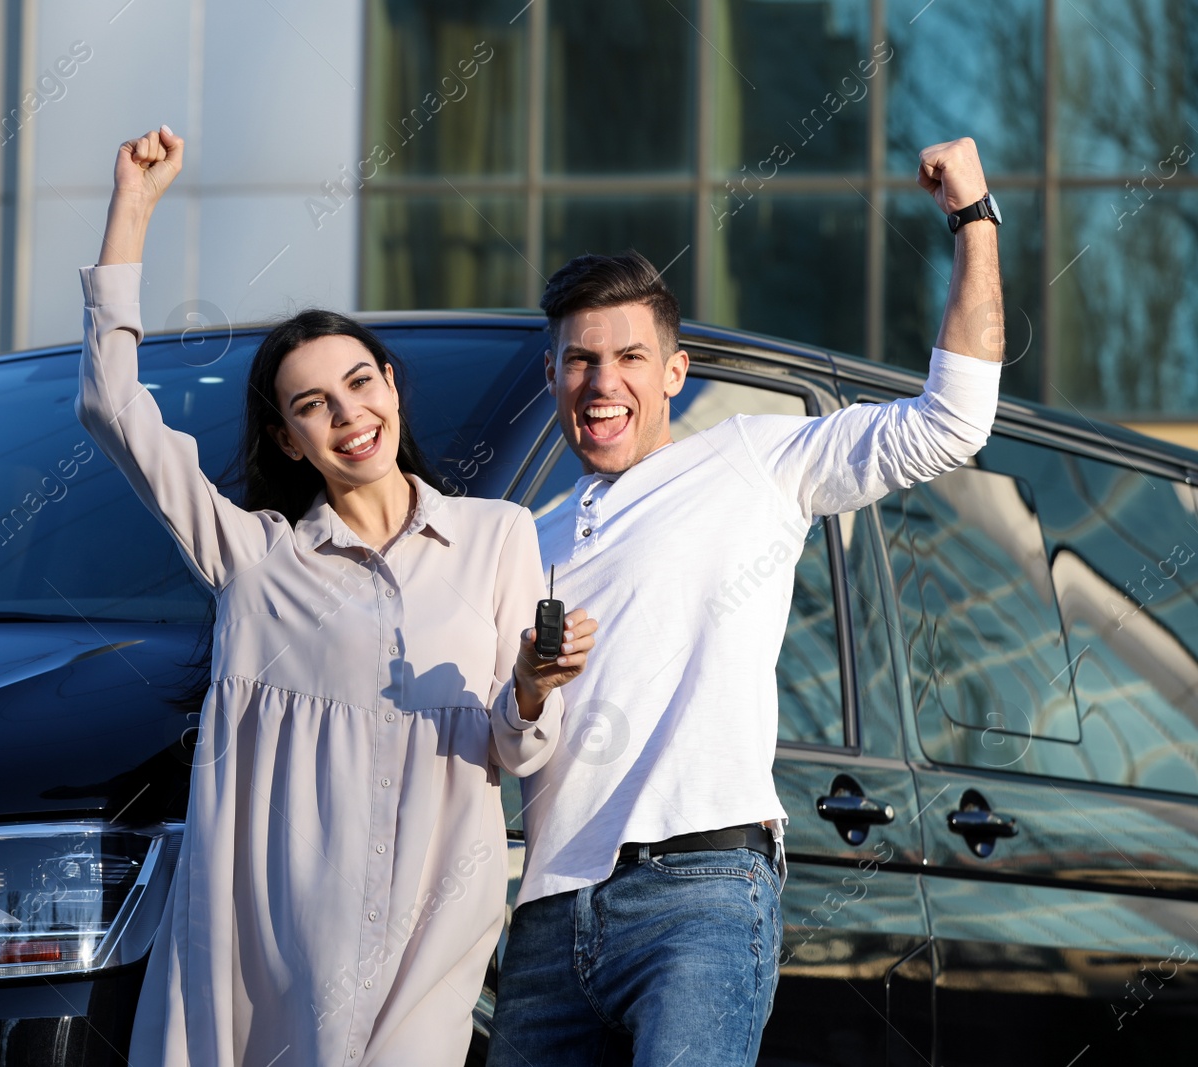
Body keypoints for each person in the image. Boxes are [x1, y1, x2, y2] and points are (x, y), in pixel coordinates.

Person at [75, 126, 599, 1067]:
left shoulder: (496, 536)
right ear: (287, 439)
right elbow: (114, 408)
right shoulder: (256, 559)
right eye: (312, 403)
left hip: (436, 923)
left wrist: (529, 686)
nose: (347, 412)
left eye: (360, 382)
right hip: (282, 943)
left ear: (393, 388)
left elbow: (519, 746)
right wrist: (134, 209)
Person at [485, 137, 1005, 1066]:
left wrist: (972, 219)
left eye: (630, 357)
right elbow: (497, 741)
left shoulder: (757, 458)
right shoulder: (527, 539)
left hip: (702, 889)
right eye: (578, 361)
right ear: (555, 375)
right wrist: (526, 688)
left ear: (675, 374)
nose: (603, 384)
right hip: (549, 910)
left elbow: (952, 422)